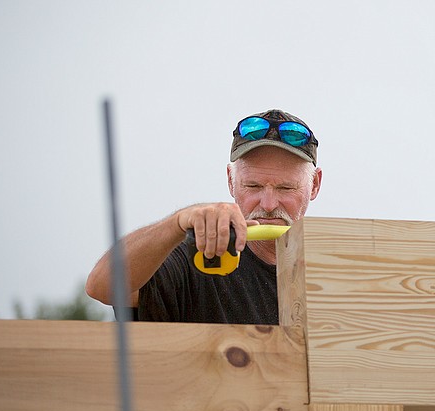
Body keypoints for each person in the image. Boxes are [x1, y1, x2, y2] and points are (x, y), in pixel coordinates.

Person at [85, 109, 322, 324]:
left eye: (286, 188)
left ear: (314, 186)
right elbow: (101, 286)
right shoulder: (203, 255)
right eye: (253, 186)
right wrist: (177, 223)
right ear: (231, 181)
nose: (268, 204)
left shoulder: (334, 271)